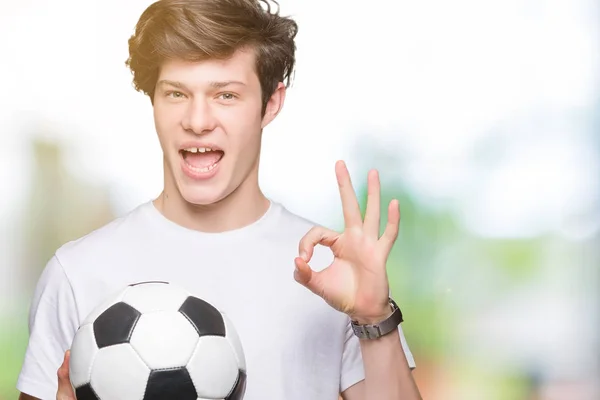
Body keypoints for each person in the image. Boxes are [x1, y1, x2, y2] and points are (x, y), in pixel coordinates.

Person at [17, 0, 422, 399]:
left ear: (271, 103)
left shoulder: (328, 273)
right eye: (176, 93)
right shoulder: (79, 272)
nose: (197, 122)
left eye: (225, 95)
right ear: (153, 102)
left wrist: (373, 316)